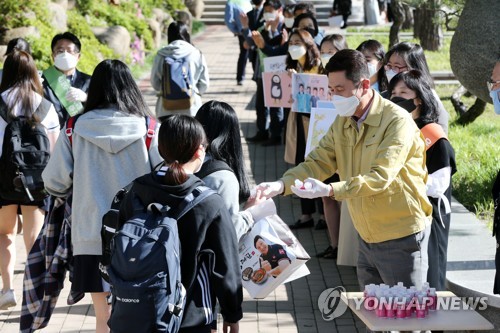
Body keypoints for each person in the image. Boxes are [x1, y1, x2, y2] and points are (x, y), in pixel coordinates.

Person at [256, 49, 432, 290]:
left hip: (400, 234)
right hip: (366, 233)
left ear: (364, 85)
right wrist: (280, 185)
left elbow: (380, 178)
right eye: (331, 89)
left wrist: (329, 190)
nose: (333, 96)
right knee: (375, 315)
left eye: (339, 90)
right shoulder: (344, 119)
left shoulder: (397, 121)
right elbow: (318, 161)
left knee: (408, 318)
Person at [42, 59, 162, 333]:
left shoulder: (74, 128)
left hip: (91, 237)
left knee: (103, 317)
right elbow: (163, 177)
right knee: (137, 315)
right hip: (139, 236)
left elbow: (53, 181)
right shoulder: (149, 128)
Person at [118, 114, 243, 333]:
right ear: (199, 151)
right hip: (190, 315)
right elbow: (226, 265)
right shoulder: (209, 202)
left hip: (140, 310)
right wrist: (232, 314)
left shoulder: (135, 191)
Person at [0, 50, 59, 311]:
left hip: (2, 180)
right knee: (35, 238)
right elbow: (55, 149)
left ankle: (6, 289)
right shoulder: (45, 106)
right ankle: (32, 294)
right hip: (37, 182)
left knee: (4, 234)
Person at [389, 70, 456, 290]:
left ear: (418, 98)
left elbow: (438, 185)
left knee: (430, 275)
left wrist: (401, 183)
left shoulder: (435, 136)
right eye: (393, 92)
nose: (396, 97)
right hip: (402, 216)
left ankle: (433, 324)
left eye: (403, 92)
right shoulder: (397, 131)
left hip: (430, 216)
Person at [195, 100, 262, 240]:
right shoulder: (223, 178)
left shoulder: (184, 162)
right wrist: (249, 213)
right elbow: (229, 234)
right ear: (233, 135)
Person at [285, 29, 327, 230]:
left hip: (316, 122)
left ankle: (323, 215)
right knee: (300, 162)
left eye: (297, 42)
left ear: (309, 44)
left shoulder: (319, 68)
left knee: (317, 164)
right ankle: (306, 213)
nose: (293, 46)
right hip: (298, 121)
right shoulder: (292, 68)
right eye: (291, 42)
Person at [383, 42, 449, 134]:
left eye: (397, 67)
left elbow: (440, 133)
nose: (391, 71)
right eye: (389, 66)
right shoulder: (383, 96)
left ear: (413, 69)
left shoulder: (431, 99)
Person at [151, 21, 209, 119]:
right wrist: (194, 92)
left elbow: (155, 83)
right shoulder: (196, 53)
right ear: (186, 34)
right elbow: (204, 83)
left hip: (165, 109)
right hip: (191, 108)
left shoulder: (161, 54)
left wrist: (168, 90)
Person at [42, 32, 91, 128]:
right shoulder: (41, 81)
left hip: (80, 136)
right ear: (53, 56)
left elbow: (101, 109)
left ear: (78, 56)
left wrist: (87, 98)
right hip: (51, 136)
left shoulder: (90, 81)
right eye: (60, 51)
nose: (65, 55)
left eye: (70, 51)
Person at [225, 0, 253, 86]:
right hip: (243, 32)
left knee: (249, 54)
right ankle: (240, 77)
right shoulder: (231, 2)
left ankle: (244, 77)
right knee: (244, 54)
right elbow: (228, 20)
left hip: (252, 30)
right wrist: (237, 31)